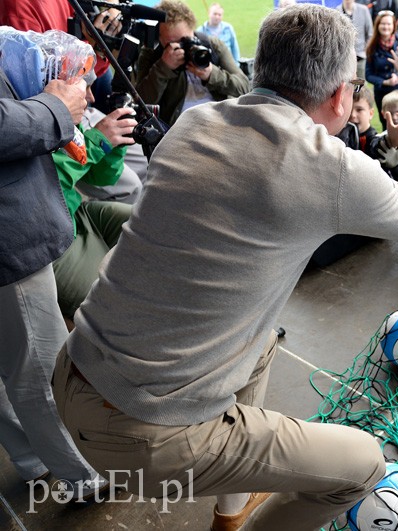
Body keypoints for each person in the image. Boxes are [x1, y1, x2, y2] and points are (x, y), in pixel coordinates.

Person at [51, 5, 398, 531]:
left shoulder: (197, 122)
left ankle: (230, 513)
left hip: (72, 373)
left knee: (263, 341)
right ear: (341, 95)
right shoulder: (329, 167)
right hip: (147, 434)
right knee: (362, 467)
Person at [0, 68, 107, 494]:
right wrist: (55, 107)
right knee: (43, 370)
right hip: (8, 235)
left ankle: (32, 457)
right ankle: (82, 475)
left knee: (14, 364)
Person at [51, 76, 137, 324]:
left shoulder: (61, 114)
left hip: (74, 214)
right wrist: (96, 141)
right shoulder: (29, 119)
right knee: (112, 311)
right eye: (84, 87)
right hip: (49, 240)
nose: (91, 97)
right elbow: (44, 184)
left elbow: (102, 177)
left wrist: (116, 142)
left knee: (156, 228)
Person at [136, 0, 249, 126]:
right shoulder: (151, 54)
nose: (179, 47)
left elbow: (244, 87)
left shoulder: (213, 46)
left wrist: (212, 75)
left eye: (184, 40)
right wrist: (163, 68)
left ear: (193, 30)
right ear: (159, 38)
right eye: (170, 43)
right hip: (177, 128)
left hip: (219, 122)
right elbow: (141, 104)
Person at [365, 10, 398, 126]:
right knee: (386, 123)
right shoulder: (372, 45)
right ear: (378, 25)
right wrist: (384, 81)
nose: (386, 27)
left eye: (389, 24)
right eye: (383, 24)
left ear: (394, 26)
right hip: (382, 93)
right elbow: (368, 75)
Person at [340, 0, 374, 80]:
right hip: (343, 59)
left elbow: (370, 33)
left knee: (359, 84)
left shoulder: (363, 10)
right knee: (346, 84)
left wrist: (366, 50)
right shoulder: (336, 11)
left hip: (360, 56)